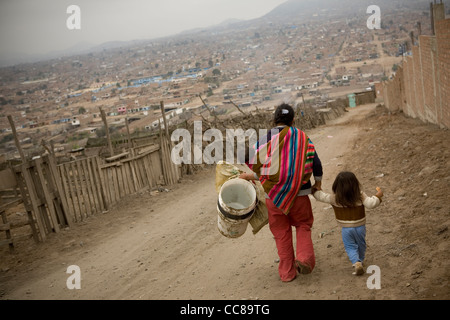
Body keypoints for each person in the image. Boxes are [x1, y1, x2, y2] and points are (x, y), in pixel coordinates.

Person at [239, 103, 323, 282]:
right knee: (303, 225)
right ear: (293, 120)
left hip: (273, 197)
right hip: (300, 194)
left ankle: (287, 273)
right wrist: (318, 183)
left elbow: (248, 156)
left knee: (281, 231)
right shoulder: (302, 137)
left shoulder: (265, 139)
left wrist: (254, 173)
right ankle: (304, 259)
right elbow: (316, 163)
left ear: (274, 119)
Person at [312, 171, 383, 275]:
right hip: (360, 227)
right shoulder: (360, 195)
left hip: (345, 228)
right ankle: (361, 260)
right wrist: (378, 196)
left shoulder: (335, 198)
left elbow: (321, 196)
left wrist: (314, 191)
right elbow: (371, 204)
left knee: (350, 246)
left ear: (336, 185)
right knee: (361, 244)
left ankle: (356, 262)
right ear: (355, 184)